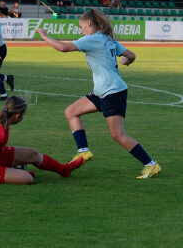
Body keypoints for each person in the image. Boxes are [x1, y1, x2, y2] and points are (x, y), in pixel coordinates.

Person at [35, 9, 161, 179]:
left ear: (88, 23)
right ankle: (83, 152)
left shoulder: (92, 39)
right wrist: (126, 61)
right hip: (103, 92)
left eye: (81, 27)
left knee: (118, 134)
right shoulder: (107, 38)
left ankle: (151, 165)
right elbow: (131, 55)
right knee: (71, 112)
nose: (80, 31)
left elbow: (63, 48)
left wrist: (45, 36)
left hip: (112, 92)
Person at [0, 96, 84, 187]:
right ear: (17, 116)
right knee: (28, 178)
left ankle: (64, 170)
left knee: (33, 154)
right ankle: (15, 172)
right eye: (23, 115)